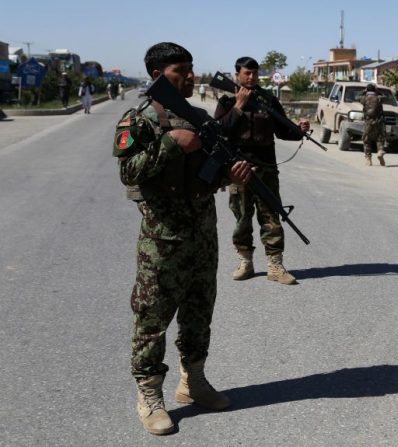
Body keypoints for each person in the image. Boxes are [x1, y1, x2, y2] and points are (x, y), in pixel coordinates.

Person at [113, 42, 253, 435]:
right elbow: (128, 173)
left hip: (202, 236)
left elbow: (208, 176)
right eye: (181, 71)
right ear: (158, 76)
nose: (191, 76)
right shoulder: (139, 119)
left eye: (192, 69)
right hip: (162, 239)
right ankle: (149, 394)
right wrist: (169, 143)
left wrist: (232, 175)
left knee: (199, 311)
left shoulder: (198, 117)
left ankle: (193, 382)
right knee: (152, 318)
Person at [214, 56, 310, 284]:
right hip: (238, 169)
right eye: (247, 73)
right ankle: (245, 261)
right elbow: (219, 131)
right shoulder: (227, 102)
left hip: (267, 169)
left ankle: (275, 266)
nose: (251, 78)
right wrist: (238, 105)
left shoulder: (267, 99)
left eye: (255, 73)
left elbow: (283, 130)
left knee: (271, 216)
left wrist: (299, 130)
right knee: (242, 218)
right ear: (237, 74)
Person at [360, 83, 386, 166]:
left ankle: (368, 159)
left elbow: (358, 98)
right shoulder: (379, 98)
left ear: (367, 89)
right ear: (375, 90)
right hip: (378, 121)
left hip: (368, 121)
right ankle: (380, 151)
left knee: (367, 139)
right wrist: (378, 92)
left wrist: (364, 92)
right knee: (380, 138)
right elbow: (386, 97)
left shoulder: (364, 98)